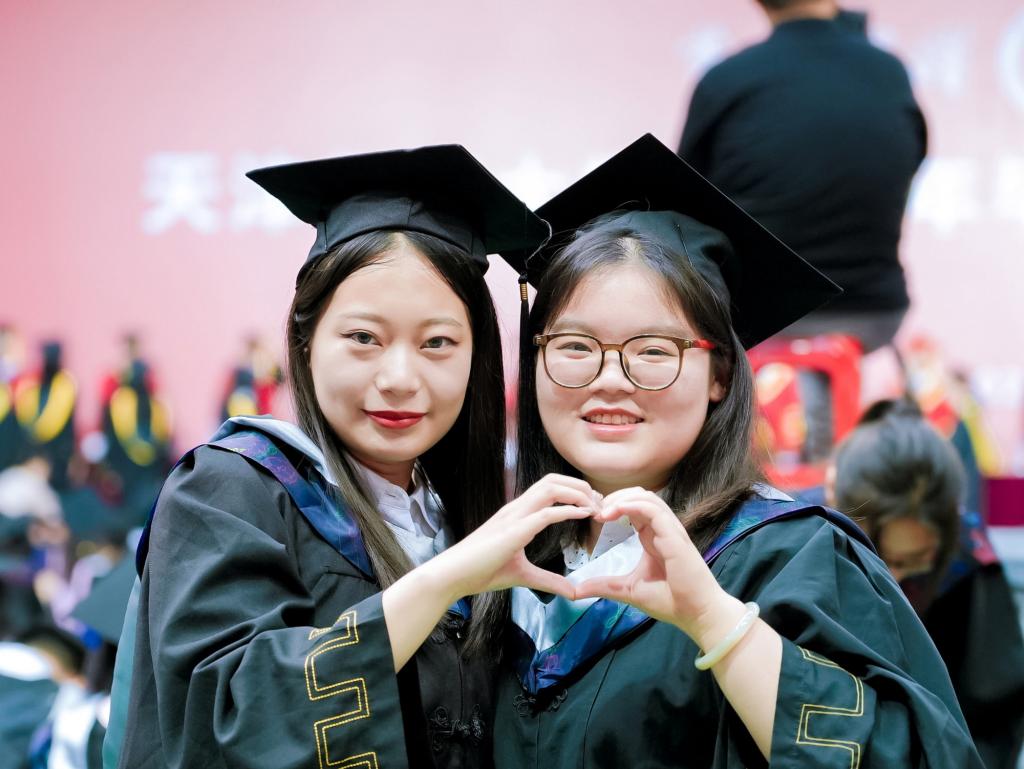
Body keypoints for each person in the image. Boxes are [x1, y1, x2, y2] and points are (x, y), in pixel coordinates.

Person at [492, 134, 981, 768]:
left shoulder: (794, 559)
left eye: (653, 351)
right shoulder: (504, 557)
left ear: (719, 374)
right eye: (575, 346)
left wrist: (718, 624)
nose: (610, 379)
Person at [107, 144, 591, 769]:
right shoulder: (231, 491)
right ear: (306, 339)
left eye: (438, 343)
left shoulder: (460, 522)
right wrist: (444, 582)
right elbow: (226, 719)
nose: (399, 378)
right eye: (363, 337)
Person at [677, 0, 927, 458]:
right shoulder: (889, 73)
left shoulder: (727, 79)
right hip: (873, 311)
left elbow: (685, 201)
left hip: (753, 311)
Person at [828, 398, 1024, 769]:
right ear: (833, 497)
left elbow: (994, 717)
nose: (893, 579)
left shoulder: (968, 566)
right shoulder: (805, 535)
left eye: (912, 562)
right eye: (876, 558)